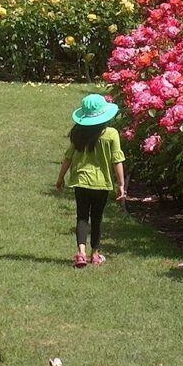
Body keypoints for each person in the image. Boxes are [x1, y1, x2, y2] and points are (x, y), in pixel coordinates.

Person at [55, 94, 126, 268]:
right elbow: (117, 160)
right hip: (101, 183)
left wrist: (60, 178)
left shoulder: (78, 132)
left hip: (80, 181)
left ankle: (80, 253)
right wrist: (121, 184)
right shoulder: (111, 134)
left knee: (81, 216)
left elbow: (68, 157)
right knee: (97, 218)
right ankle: (94, 254)